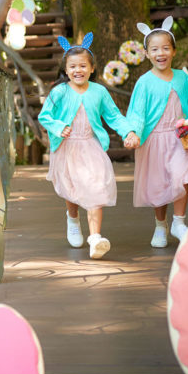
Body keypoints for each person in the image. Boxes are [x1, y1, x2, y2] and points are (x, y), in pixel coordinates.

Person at [38, 33, 140, 259]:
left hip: (90, 146)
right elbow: (44, 116)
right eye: (72, 66)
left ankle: (95, 238)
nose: (78, 70)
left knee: (95, 187)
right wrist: (58, 126)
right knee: (73, 188)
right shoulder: (59, 92)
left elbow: (114, 116)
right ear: (66, 70)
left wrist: (129, 131)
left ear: (92, 68)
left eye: (83, 65)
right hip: (67, 147)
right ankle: (73, 219)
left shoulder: (99, 92)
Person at [127, 17, 188, 248]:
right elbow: (137, 112)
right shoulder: (144, 82)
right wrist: (134, 132)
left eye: (165, 48)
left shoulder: (182, 78)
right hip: (154, 139)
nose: (160, 53)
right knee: (158, 183)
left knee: (184, 175)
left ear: (173, 51)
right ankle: (160, 224)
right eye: (155, 49)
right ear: (147, 54)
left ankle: (178, 222)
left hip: (180, 136)